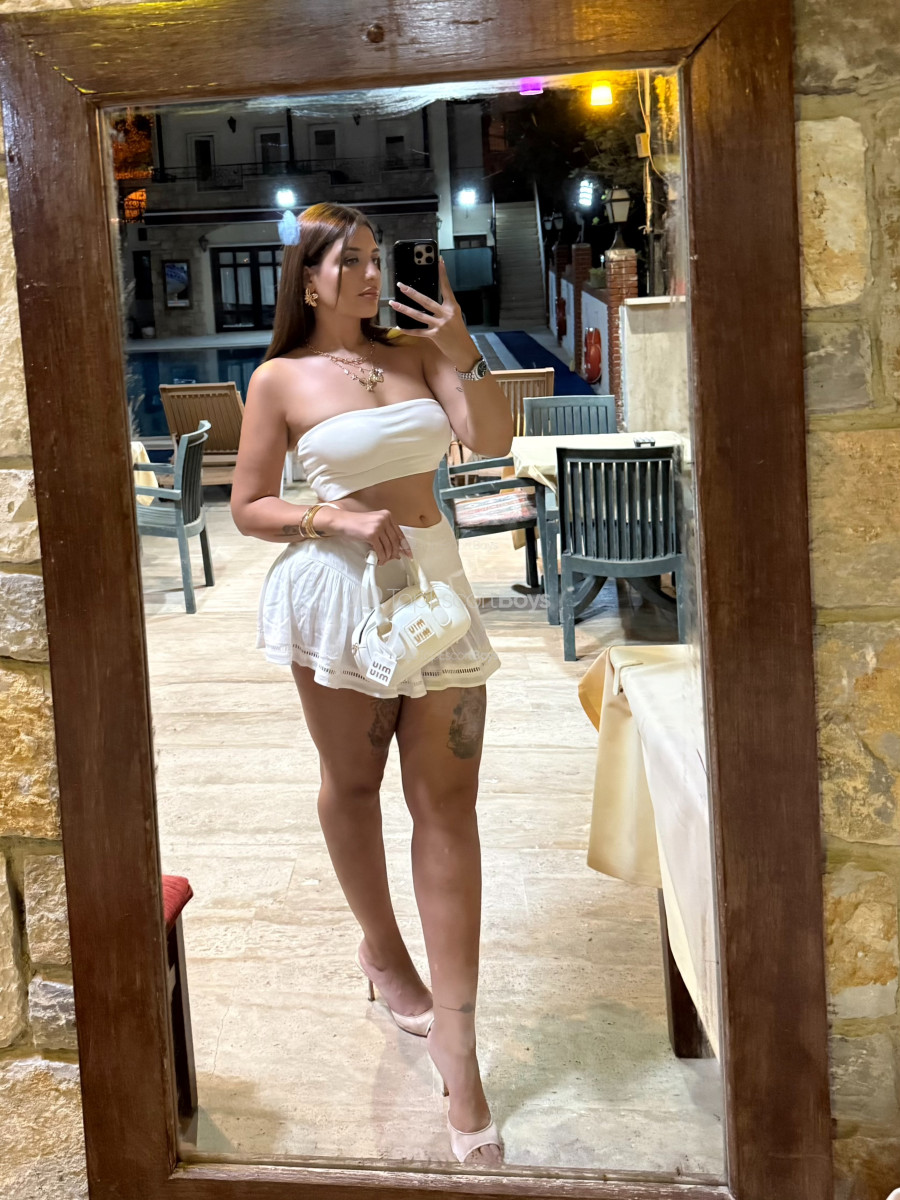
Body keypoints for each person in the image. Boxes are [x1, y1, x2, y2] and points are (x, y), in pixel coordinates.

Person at [231, 202, 513, 1166]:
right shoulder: (279, 378)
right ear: (307, 280)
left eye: (373, 257)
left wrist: (463, 348)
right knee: (353, 785)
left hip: (437, 588)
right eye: (347, 260)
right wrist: (333, 520)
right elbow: (248, 505)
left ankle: (458, 1046)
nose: (367, 272)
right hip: (339, 594)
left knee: (449, 806)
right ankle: (385, 956)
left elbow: (492, 440)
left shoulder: (419, 352)